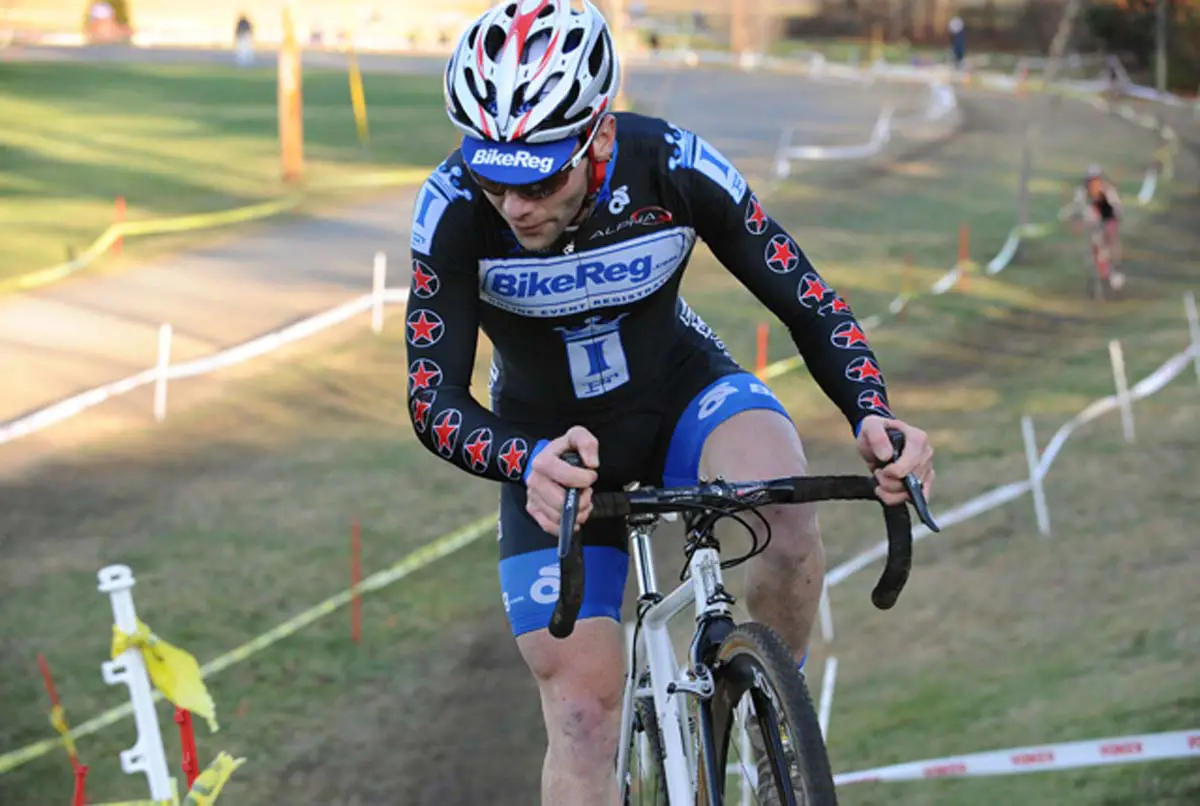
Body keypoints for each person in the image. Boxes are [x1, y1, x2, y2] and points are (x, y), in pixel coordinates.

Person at [406, 2, 935, 803]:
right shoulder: (450, 208)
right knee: (582, 717)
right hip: (552, 448)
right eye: (491, 174)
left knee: (785, 511)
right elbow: (431, 396)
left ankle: (768, 737)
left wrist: (873, 412)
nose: (513, 206)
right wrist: (525, 460)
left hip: (681, 391)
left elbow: (807, 300)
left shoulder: (673, 164)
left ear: (601, 139)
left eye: (541, 178)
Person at [1063, 163, 1124, 282]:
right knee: (1096, 244)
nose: (1093, 185)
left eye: (1096, 180)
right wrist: (1069, 215)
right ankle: (1102, 271)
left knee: (1110, 239)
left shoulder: (1108, 192)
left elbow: (1116, 209)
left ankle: (1115, 267)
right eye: (1090, 181)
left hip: (1109, 218)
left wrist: (1113, 218)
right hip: (1093, 223)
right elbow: (1076, 207)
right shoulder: (1082, 193)